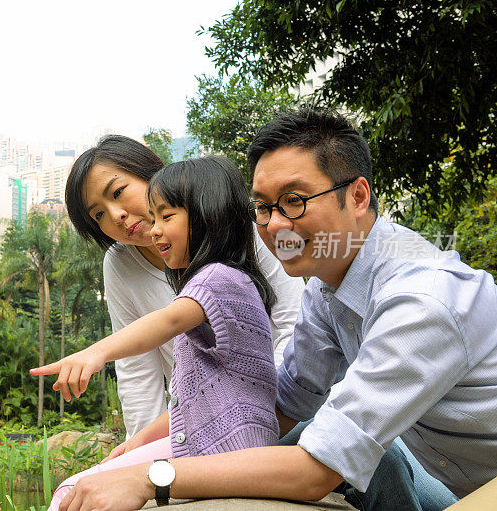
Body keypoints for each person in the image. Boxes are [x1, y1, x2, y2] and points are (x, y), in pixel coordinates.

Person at [53, 108, 496, 511]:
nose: (274, 224)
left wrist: (153, 478)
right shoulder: (329, 288)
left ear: (358, 197)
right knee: (362, 453)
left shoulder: (420, 299)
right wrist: (152, 441)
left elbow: (320, 466)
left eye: (294, 200)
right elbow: (284, 398)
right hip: (447, 480)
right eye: (262, 207)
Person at [34, 157, 280, 510]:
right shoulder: (205, 279)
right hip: (204, 437)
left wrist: (95, 353)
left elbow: (165, 322)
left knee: (72, 491)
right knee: (80, 487)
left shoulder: (219, 279)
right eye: (98, 215)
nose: (155, 230)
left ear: (206, 215)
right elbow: (195, 399)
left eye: (166, 217)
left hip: (228, 448)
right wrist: (139, 441)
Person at [64, 135, 305, 438]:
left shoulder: (235, 230)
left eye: (118, 192)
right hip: (203, 425)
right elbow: (137, 372)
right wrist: (139, 451)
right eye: (98, 214)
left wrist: (266, 409)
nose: (116, 215)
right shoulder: (119, 264)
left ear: (150, 173)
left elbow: (294, 322)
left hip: (279, 410)